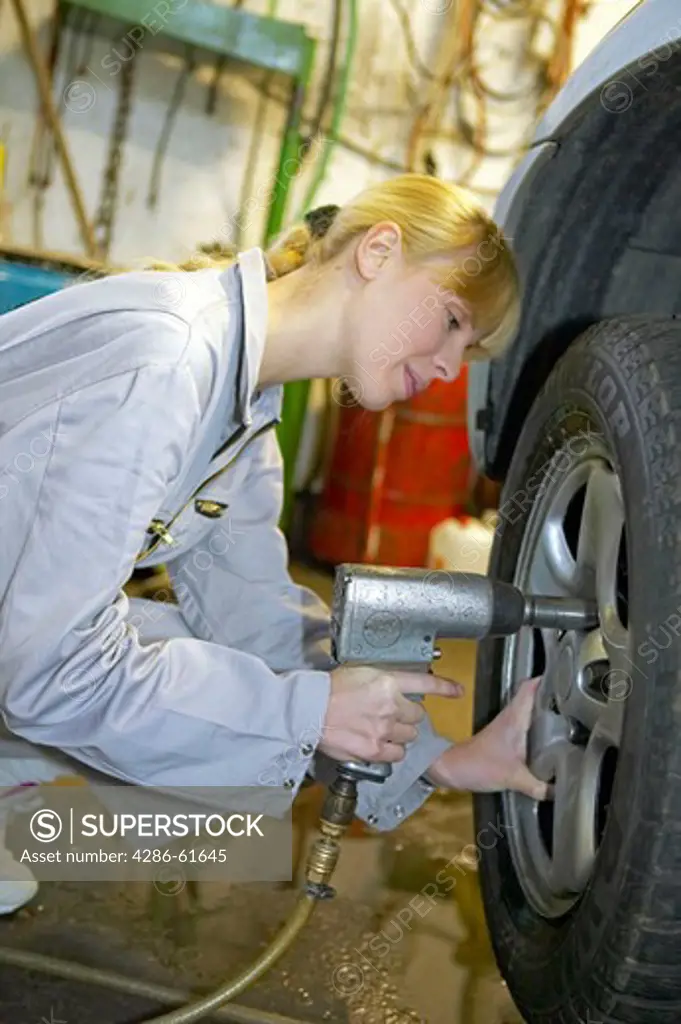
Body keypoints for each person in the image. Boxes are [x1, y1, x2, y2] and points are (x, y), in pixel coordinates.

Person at [0, 173, 547, 915]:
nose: (452, 367)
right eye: (451, 320)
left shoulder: (246, 408)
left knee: (218, 710)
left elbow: (254, 618)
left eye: (470, 350)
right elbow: (49, 669)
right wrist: (304, 713)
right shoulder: (169, 359)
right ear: (378, 252)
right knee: (181, 706)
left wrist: (442, 760)